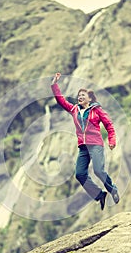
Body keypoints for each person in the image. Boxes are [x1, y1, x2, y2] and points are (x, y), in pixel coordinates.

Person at [51, 72, 119, 210]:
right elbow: (61, 100)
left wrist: (112, 140)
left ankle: (113, 190)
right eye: (78, 96)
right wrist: (54, 85)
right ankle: (100, 195)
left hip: (95, 145)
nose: (80, 97)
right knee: (80, 174)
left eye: (83, 96)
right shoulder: (74, 109)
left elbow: (109, 125)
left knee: (99, 170)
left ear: (89, 99)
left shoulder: (97, 110)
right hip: (83, 148)